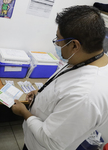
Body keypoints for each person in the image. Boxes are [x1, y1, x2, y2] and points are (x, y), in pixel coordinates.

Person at [11, 5, 108, 150]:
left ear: (75, 45)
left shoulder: (86, 96)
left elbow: (51, 142)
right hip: (34, 135)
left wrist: (24, 113)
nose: (57, 43)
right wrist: (40, 94)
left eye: (58, 38)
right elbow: (64, 86)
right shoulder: (88, 58)